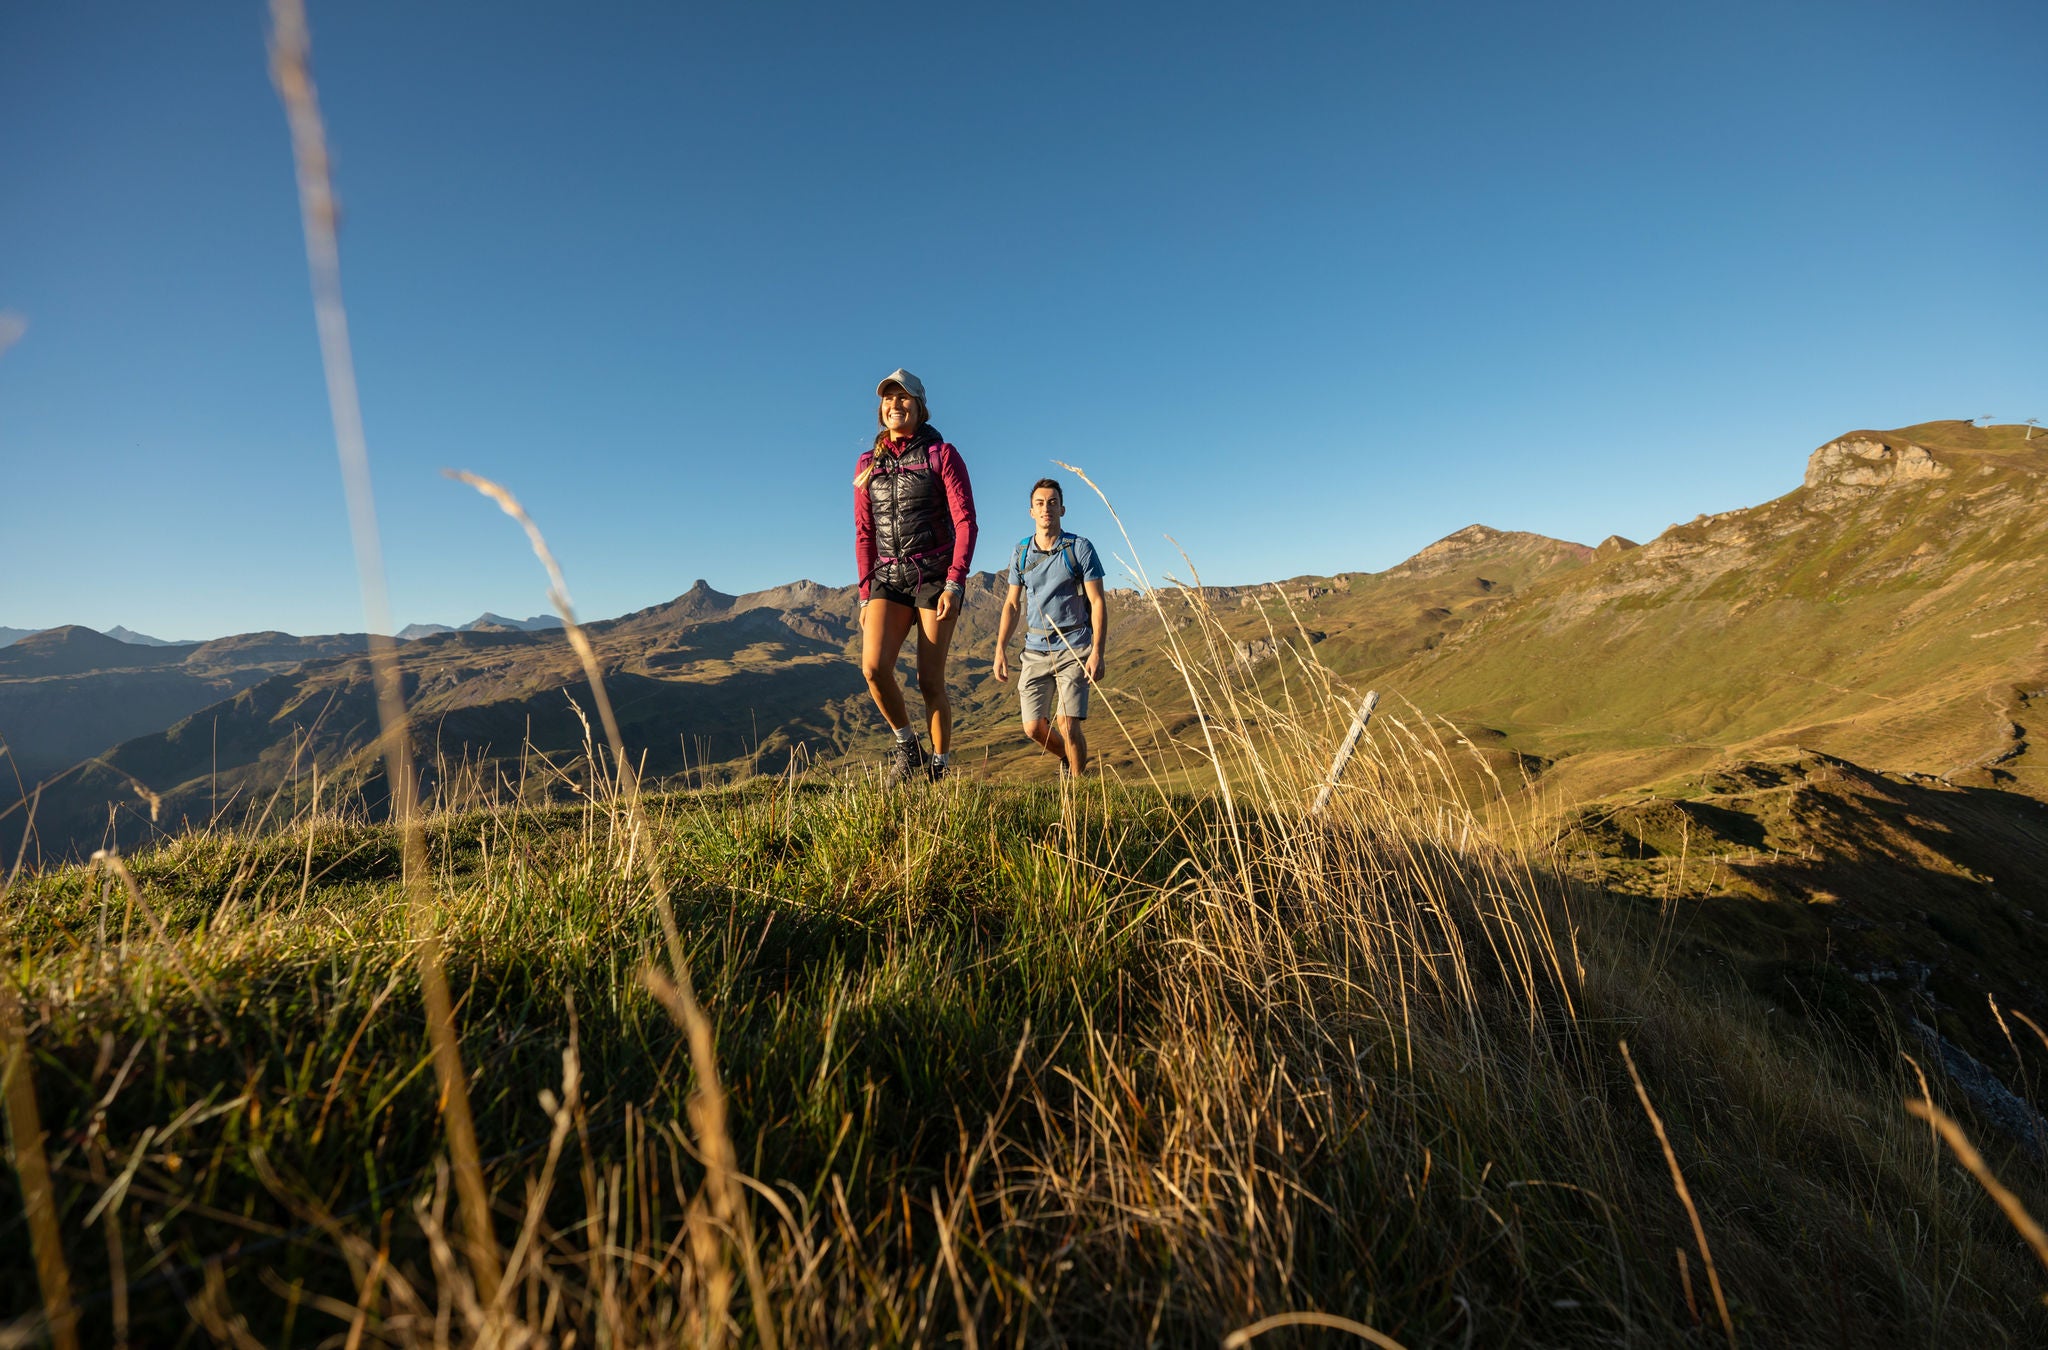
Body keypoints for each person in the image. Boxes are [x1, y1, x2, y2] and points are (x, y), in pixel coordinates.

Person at [854, 369, 979, 784]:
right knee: (873, 668)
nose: (896, 405)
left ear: (921, 407)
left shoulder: (942, 454)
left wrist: (955, 582)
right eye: (889, 399)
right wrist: (865, 594)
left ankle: (939, 770)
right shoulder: (867, 464)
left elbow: (966, 523)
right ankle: (908, 748)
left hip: (933, 577)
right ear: (881, 409)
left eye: (904, 398)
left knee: (929, 681)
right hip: (888, 579)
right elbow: (865, 533)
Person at [993, 477, 1109, 775]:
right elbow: (1011, 604)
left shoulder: (1079, 548)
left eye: (1053, 503)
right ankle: (1069, 761)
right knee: (1033, 727)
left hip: (1074, 646)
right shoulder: (1021, 552)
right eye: (1041, 504)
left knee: (1067, 724)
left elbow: (1097, 602)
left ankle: (1078, 788)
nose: (1047, 508)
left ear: (1063, 509)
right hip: (1035, 649)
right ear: (1031, 511)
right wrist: (1000, 650)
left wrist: (1097, 651)